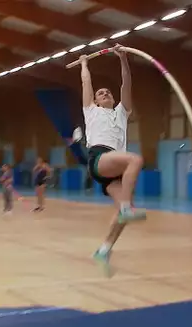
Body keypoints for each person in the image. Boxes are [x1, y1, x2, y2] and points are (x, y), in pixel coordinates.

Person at [79, 43, 146, 276]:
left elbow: (126, 83)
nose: (105, 93)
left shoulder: (121, 112)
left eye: (108, 92)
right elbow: (86, 82)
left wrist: (123, 58)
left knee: (122, 216)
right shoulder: (91, 111)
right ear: (95, 101)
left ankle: (104, 250)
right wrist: (85, 63)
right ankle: (127, 207)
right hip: (100, 158)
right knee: (134, 160)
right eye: (101, 93)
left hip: (114, 170)